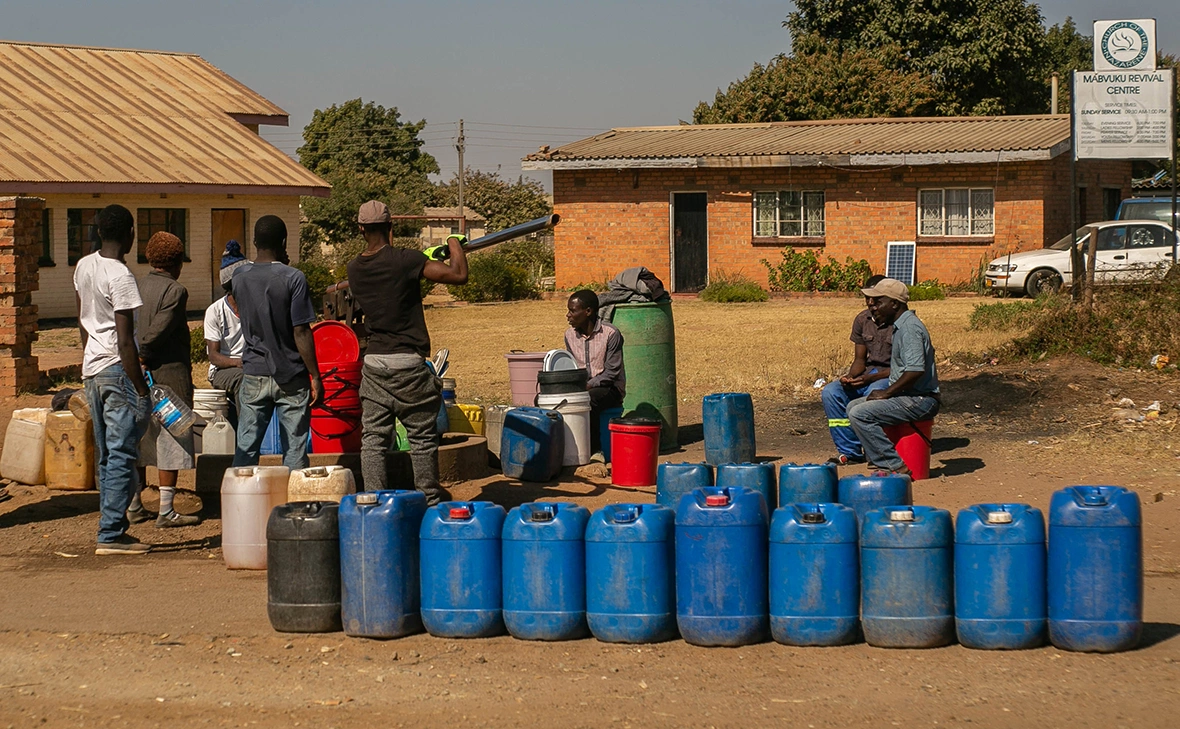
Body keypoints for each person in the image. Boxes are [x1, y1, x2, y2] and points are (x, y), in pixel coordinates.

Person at [346, 200, 468, 505]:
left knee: (373, 440)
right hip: (408, 364)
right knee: (422, 438)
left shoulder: (354, 268)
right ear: (391, 227)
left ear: (361, 229)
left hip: (374, 363)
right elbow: (458, 274)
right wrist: (453, 242)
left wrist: (419, 261)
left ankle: (372, 501)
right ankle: (428, 502)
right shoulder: (406, 260)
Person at [74, 204, 152, 555]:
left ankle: (111, 526)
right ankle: (110, 534)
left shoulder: (84, 265)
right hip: (116, 370)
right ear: (130, 234)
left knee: (107, 453)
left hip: (93, 368)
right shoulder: (120, 275)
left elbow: (82, 321)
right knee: (122, 453)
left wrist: (88, 357)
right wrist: (141, 387)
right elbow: (125, 341)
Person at [231, 216, 322, 470]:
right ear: (284, 242)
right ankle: (293, 505)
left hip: (253, 373)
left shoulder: (239, 277)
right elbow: (301, 331)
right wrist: (315, 375)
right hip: (291, 375)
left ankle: (241, 504)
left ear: (254, 241)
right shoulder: (294, 278)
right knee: (294, 448)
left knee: (246, 446)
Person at [129, 232, 200, 528]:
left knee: (138, 437)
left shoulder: (135, 285)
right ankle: (166, 510)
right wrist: (144, 353)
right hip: (168, 376)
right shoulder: (175, 290)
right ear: (177, 263)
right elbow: (160, 328)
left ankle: (134, 505)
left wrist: (135, 359)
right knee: (173, 437)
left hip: (136, 376)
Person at [847, 278, 941, 475]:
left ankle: (893, 465)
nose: (873, 307)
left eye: (878, 302)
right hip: (910, 396)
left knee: (860, 414)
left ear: (894, 304)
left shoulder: (909, 329)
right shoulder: (900, 325)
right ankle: (879, 460)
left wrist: (886, 393)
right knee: (853, 406)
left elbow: (915, 370)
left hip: (921, 399)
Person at [821, 274, 893, 465]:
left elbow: (905, 369)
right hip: (870, 373)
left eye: (875, 298)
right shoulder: (862, 320)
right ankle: (850, 451)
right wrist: (850, 377)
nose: (870, 303)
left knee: (871, 393)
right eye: (867, 298)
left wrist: (869, 379)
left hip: (890, 375)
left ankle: (875, 451)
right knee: (831, 392)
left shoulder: (900, 322)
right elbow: (859, 360)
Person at [564, 289, 625, 454]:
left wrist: (588, 385)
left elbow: (612, 373)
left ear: (588, 311)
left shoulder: (611, 334)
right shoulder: (569, 335)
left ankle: (595, 451)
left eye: (572, 310)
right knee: (547, 400)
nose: (568, 315)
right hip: (583, 387)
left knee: (589, 400)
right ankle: (565, 449)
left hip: (609, 389)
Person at [204, 249, 249, 414]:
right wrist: (239, 362)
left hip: (250, 366)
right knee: (243, 380)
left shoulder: (254, 307)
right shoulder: (215, 311)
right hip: (222, 370)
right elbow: (214, 357)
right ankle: (246, 434)